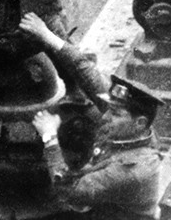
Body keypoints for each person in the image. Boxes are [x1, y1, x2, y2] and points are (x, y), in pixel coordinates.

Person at [31, 77, 163, 220]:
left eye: (115, 113)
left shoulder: (131, 169)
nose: (105, 117)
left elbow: (67, 191)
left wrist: (50, 136)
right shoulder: (136, 133)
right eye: (108, 109)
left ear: (140, 123)